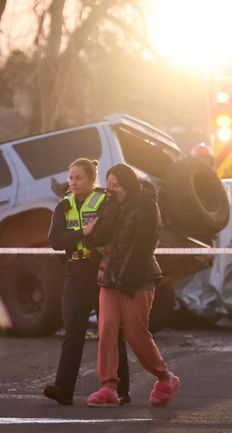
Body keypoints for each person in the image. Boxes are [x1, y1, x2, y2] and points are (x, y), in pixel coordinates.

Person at [86, 163, 180, 408]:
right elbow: (99, 238)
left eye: (116, 185)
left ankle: (164, 377)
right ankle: (108, 386)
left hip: (137, 278)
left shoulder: (147, 205)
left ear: (127, 183)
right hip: (110, 277)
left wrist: (126, 278)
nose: (112, 190)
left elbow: (144, 245)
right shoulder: (111, 206)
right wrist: (105, 217)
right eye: (109, 185)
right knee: (106, 329)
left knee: (136, 335)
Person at [43, 158, 131, 406]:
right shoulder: (63, 206)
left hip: (102, 272)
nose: (72, 182)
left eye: (78, 177)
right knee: (72, 331)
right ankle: (63, 389)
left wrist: (93, 237)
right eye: (70, 177)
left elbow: (110, 232)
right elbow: (55, 241)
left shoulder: (105, 201)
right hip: (76, 272)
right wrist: (83, 233)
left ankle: (121, 390)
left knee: (111, 332)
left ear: (92, 179)